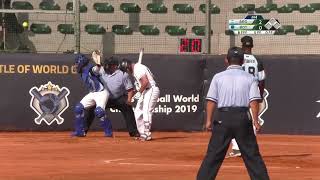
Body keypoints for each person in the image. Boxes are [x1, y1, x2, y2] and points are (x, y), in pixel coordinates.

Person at [197, 47, 269, 180]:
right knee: (252, 155)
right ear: (242, 62)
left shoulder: (218, 77)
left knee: (213, 155)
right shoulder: (250, 78)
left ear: (226, 60)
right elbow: (254, 101)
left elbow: (211, 101)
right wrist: (256, 121)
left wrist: (208, 121)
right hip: (242, 118)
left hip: (223, 118)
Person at [229, 36, 267, 157]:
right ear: (252, 46)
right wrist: (260, 94)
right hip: (253, 90)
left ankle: (236, 148)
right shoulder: (257, 60)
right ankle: (249, 148)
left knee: (234, 118)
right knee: (252, 120)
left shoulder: (238, 58)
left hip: (239, 90)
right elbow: (262, 80)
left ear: (242, 46)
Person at [85, 56, 140, 138]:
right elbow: (91, 72)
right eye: (106, 65)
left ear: (115, 66)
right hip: (104, 97)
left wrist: (129, 100)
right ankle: (83, 130)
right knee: (91, 108)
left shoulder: (123, 74)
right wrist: (97, 64)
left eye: (109, 65)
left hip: (118, 98)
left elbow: (130, 90)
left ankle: (133, 132)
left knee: (128, 108)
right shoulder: (101, 70)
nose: (106, 67)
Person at [71, 53, 113, 137]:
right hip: (93, 93)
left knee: (99, 111)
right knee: (78, 108)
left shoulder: (90, 69)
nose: (75, 65)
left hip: (101, 93)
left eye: (76, 63)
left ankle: (108, 132)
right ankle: (80, 132)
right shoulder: (82, 72)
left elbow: (96, 70)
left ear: (81, 62)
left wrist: (98, 64)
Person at [120, 59, 160, 141]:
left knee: (146, 111)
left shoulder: (138, 68)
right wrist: (138, 91)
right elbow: (142, 84)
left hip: (151, 89)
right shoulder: (136, 69)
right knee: (138, 112)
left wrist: (139, 93)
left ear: (127, 67)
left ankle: (146, 134)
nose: (127, 72)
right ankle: (142, 133)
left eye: (126, 70)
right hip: (146, 90)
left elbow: (145, 82)